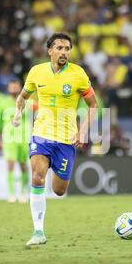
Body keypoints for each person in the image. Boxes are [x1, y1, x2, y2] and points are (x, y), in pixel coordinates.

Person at [12, 33, 98, 246]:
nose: (64, 52)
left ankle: (54, 182)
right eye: (59, 48)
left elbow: (93, 105)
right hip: (41, 135)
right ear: (49, 50)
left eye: (67, 48)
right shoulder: (36, 72)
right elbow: (22, 97)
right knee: (38, 176)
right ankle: (38, 232)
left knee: (59, 191)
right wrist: (16, 114)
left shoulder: (78, 74)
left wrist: (83, 131)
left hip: (66, 140)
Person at [0, 80, 32, 203]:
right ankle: (11, 193)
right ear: (8, 88)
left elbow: (34, 119)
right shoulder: (3, 103)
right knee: (10, 164)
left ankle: (23, 192)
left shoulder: (28, 103)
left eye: (16, 86)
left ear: (20, 87)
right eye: (12, 86)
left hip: (24, 137)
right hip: (9, 138)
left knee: (23, 165)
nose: (14, 88)